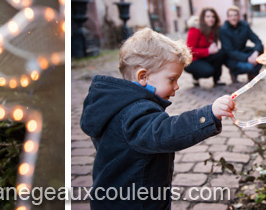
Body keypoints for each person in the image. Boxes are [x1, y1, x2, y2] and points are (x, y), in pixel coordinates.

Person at [80, 28, 235, 209]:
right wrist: (209, 115)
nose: (176, 86)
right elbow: (166, 132)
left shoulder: (119, 105)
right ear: (143, 76)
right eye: (172, 79)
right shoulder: (134, 112)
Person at [220, 6, 264, 82]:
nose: (233, 18)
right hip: (231, 58)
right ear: (227, 17)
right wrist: (248, 58)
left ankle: (252, 74)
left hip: (243, 51)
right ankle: (234, 72)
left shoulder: (244, 26)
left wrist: (255, 53)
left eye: (235, 15)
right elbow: (229, 51)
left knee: (262, 49)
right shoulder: (223, 30)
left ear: (239, 16)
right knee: (249, 66)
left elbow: (257, 41)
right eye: (231, 16)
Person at [185, 8, 226, 87]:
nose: (211, 19)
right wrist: (208, 51)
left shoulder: (213, 30)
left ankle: (217, 79)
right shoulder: (195, 29)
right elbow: (190, 50)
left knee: (221, 53)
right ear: (203, 18)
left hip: (205, 57)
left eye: (213, 17)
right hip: (193, 60)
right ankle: (195, 76)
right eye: (208, 17)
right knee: (208, 71)